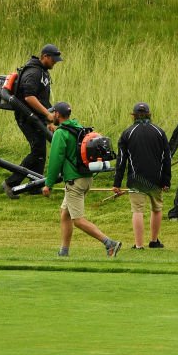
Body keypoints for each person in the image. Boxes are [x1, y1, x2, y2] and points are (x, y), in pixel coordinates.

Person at [42, 102, 122, 257]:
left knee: (78, 220)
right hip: (86, 178)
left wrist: (48, 184)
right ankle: (63, 252)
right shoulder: (78, 128)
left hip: (74, 181)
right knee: (65, 214)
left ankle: (109, 243)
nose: (52, 116)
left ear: (58, 114)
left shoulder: (61, 133)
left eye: (53, 114)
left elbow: (55, 160)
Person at [2, 44, 62, 199]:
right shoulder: (34, 72)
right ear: (44, 56)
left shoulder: (43, 72)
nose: (55, 63)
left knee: (40, 151)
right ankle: (10, 183)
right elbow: (29, 97)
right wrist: (47, 116)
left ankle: (35, 185)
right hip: (26, 117)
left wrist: (47, 119)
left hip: (36, 117)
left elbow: (42, 99)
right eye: (53, 60)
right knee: (37, 150)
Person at [113, 102, 172, 250]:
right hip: (156, 179)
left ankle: (139, 245)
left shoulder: (127, 133)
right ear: (149, 114)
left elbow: (121, 160)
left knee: (137, 211)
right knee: (157, 209)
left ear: (133, 116)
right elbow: (167, 158)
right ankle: (154, 241)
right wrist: (166, 181)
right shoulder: (159, 132)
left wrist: (117, 183)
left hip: (136, 179)